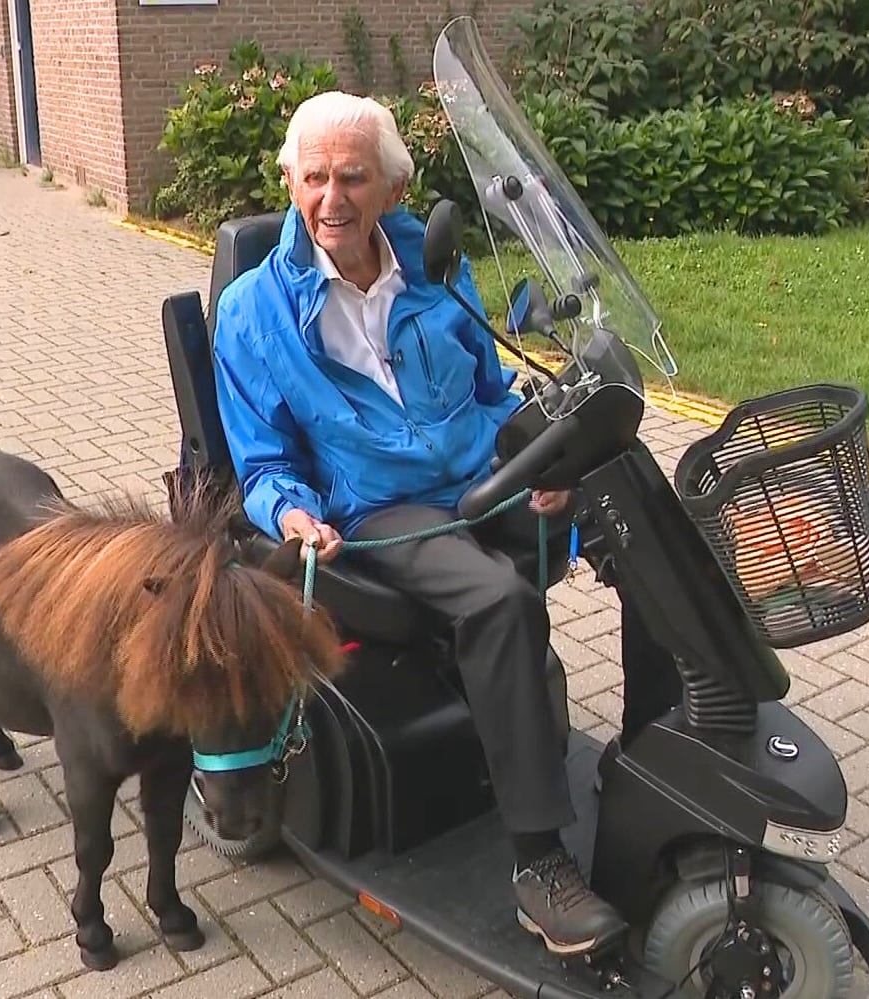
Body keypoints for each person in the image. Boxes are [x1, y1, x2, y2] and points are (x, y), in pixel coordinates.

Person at [210, 90, 628, 957]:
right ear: (289, 181)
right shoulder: (253, 310)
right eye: (315, 177)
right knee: (497, 599)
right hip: (378, 509)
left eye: (353, 177)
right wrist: (291, 512)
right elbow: (259, 464)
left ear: (393, 188)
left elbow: (486, 389)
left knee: (629, 504)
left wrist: (543, 464)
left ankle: (670, 736)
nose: (333, 199)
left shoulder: (433, 264)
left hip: (479, 471)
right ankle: (538, 867)